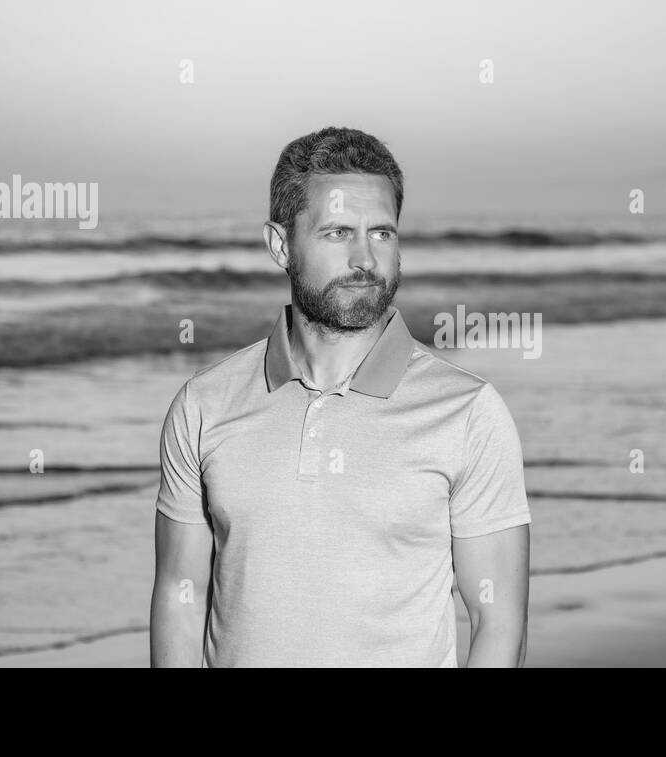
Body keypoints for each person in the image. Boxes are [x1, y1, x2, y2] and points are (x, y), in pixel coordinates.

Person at [150, 126, 531, 667]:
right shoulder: (204, 405)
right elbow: (179, 600)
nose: (365, 259)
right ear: (281, 245)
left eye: (381, 232)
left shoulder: (467, 412)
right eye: (337, 233)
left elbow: (499, 622)